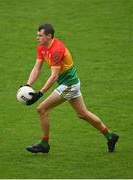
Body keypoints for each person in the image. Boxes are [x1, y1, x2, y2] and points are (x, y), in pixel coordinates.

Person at [23, 23, 119, 154]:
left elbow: (54, 76)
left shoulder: (57, 50)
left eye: (40, 35)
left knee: (42, 109)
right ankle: (110, 136)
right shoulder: (42, 47)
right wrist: (28, 85)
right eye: (37, 35)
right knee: (83, 114)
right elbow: (37, 68)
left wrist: (39, 94)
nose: (37, 38)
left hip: (69, 85)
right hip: (69, 83)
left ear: (49, 36)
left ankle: (44, 144)